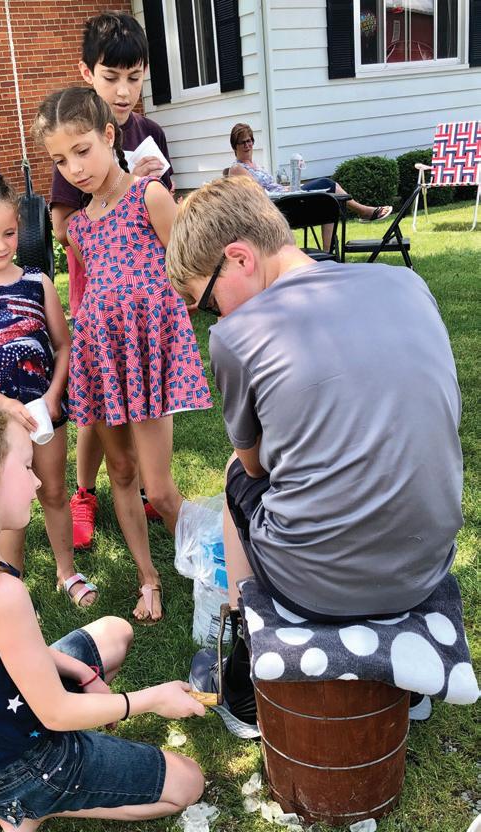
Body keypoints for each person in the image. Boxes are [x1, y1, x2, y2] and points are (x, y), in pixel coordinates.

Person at [166, 176, 463, 734]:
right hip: (426, 563)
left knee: (233, 475)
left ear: (239, 258)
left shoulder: (237, 335)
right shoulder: (405, 283)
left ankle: (246, 659)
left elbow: (254, 467)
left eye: (206, 303)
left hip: (316, 583)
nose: (215, 317)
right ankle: (402, 671)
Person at [0, 402, 205, 831]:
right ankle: (29, 806)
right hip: (23, 764)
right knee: (188, 782)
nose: (38, 481)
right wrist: (152, 699)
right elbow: (56, 713)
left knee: (115, 632)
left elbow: (4, 656)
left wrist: (82, 672)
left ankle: (14, 801)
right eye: (27, 468)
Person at [34, 87, 212, 624]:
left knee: (159, 486)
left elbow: (189, 270)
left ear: (109, 135)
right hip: (101, 358)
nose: (74, 168)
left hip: (146, 353)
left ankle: (212, 568)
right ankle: (148, 577)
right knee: (121, 470)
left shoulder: (150, 196)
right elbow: (94, 287)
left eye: (82, 150)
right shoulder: (78, 227)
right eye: (60, 160)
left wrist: (167, 315)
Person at [0, 149, 96, 608]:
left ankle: (66, 570)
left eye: (8, 233)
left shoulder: (38, 282)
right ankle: (12, 581)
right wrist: (3, 405)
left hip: (44, 412)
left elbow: (63, 345)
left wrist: (54, 394)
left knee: (53, 491)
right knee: (7, 503)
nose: (1, 246)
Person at [51, 12, 175, 550]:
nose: (123, 91)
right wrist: (105, 212)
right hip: (97, 290)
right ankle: (85, 491)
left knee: (142, 392)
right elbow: (62, 224)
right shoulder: (74, 136)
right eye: (110, 77)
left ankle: (148, 487)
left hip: (144, 292)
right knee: (97, 405)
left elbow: (166, 211)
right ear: (88, 73)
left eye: (134, 77)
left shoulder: (150, 133)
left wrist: (143, 191)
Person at [228, 123, 393, 250]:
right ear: (235, 146)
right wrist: (285, 191)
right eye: (243, 142)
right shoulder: (237, 169)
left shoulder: (256, 165)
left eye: (249, 141)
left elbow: (272, 187)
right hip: (278, 208)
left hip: (285, 197)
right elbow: (258, 192)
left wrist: (289, 188)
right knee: (327, 184)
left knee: (328, 202)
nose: (247, 145)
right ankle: (364, 211)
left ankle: (328, 253)